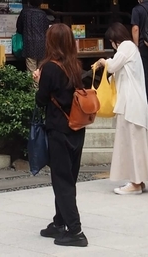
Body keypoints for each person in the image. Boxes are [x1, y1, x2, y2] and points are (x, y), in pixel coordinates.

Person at [35, 23, 88, 247]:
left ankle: (75, 230)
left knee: (61, 179)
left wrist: (37, 81)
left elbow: (41, 99)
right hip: (77, 127)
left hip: (58, 128)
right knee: (69, 177)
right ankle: (59, 221)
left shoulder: (49, 68)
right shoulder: (75, 65)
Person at [93, 22, 148, 194]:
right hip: (132, 102)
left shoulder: (126, 46)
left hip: (130, 104)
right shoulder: (131, 49)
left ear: (114, 39)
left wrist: (103, 61)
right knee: (134, 143)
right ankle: (137, 180)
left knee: (131, 142)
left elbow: (112, 66)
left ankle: (135, 183)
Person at [17, 0, 51, 74]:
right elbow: (47, 28)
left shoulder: (24, 13)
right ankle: (40, 87)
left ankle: (33, 87)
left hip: (29, 45)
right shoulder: (43, 14)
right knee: (40, 72)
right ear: (40, 3)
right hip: (42, 45)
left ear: (29, 2)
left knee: (32, 72)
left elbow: (19, 28)